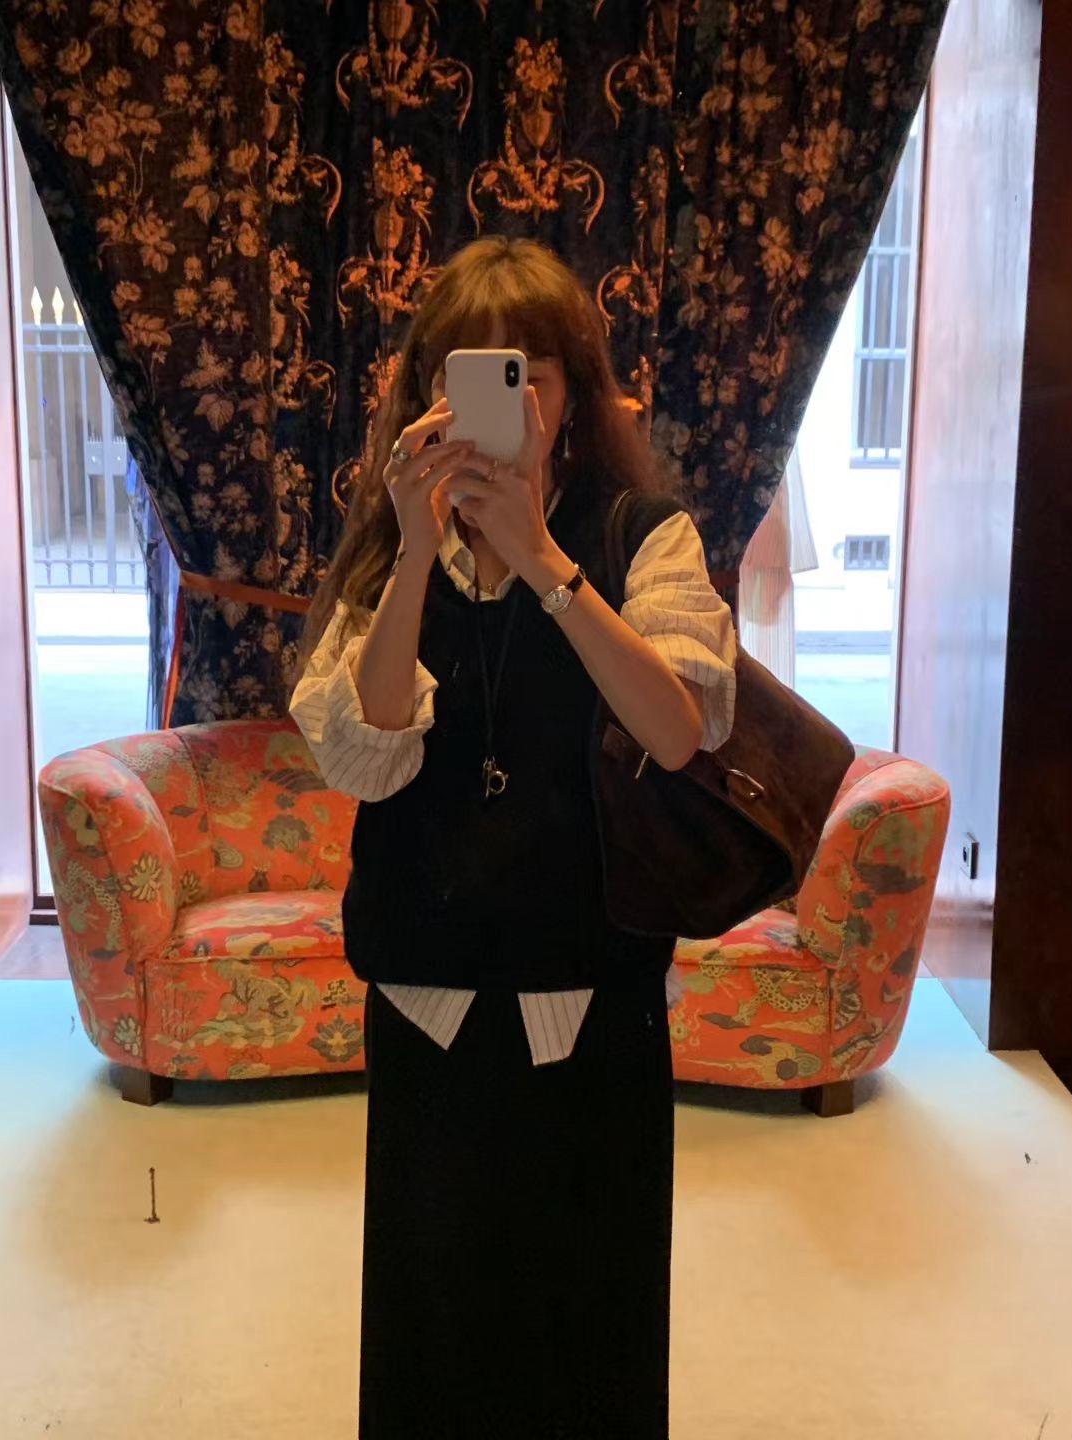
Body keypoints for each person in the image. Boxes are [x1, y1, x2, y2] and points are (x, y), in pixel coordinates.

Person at [288, 235, 737, 1440]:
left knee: (591, 1322)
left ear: (573, 394)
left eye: (528, 373)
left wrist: (541, 558)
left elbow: (679, 729)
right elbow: (365, 751)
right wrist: (416, 549)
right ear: (426, 395)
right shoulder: (396, 545)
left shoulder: (643, 534)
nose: (505, 403)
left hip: (593, 995)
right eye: (470, 374)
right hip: (428, 998)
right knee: (431, 1329)